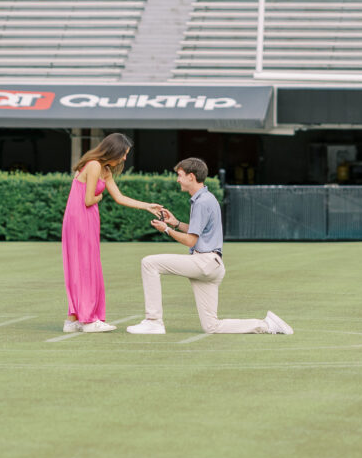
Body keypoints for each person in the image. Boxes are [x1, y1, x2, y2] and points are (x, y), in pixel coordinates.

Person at [127, 157, 294, 336]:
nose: (177, 179)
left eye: (180, 175)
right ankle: (266, 325)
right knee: (211, 326)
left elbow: (191, 241)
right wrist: (175, 223)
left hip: (204, 262)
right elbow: (197, 233)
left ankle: (153, 321)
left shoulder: (202, 201)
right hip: (212, 264)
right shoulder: (205, 198)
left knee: (149, 263)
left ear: (191, 176)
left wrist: (166, 229)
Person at [62, 132, 162, 333]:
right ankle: (88, 321)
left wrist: (147, 206)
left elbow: (120, 197)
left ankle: (73, 320)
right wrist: (100, 198)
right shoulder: (94, 166)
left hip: (85, 219)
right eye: (123, 153)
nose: (125, 158)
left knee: (84, 266)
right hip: (81, 220)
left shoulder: (104, 170)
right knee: (85, 267)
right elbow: (89, 199)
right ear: (113, 150)